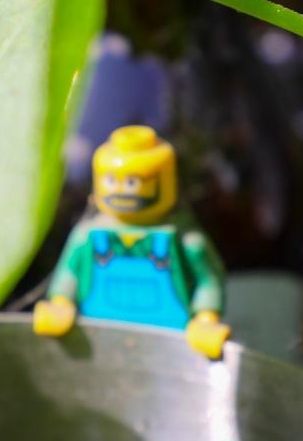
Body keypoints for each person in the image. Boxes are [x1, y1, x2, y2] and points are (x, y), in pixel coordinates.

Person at [34, 125, 231, 359]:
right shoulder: (87, 235)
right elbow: (69, 272)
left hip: (170, 344)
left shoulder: (187, 241)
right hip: (99, 338)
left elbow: (208, 279)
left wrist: (206, 317)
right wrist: (61, 302)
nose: (120, 192)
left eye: (131, 183)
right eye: (112, 181)